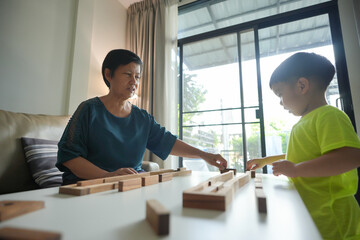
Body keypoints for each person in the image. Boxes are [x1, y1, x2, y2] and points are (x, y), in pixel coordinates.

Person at [56, 49, 227, 185]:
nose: (134, 82)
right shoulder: (88, 110)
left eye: (137, 76)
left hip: (129, 186)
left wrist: (205, 155)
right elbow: (70, 158)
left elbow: (168, 142)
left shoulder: (142, 118)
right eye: (128, 74)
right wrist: (108, 176)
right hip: (90, 186)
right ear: (109, 75)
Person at [246, 52, 360, 240]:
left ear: (302, 85)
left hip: (332, 218)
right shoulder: (306, 121)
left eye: (280, 94)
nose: (281, 102)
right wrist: (267, 160)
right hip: (313, 212)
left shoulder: (329, 115)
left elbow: (350, 156)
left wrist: (296, 170)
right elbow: (305, 155)